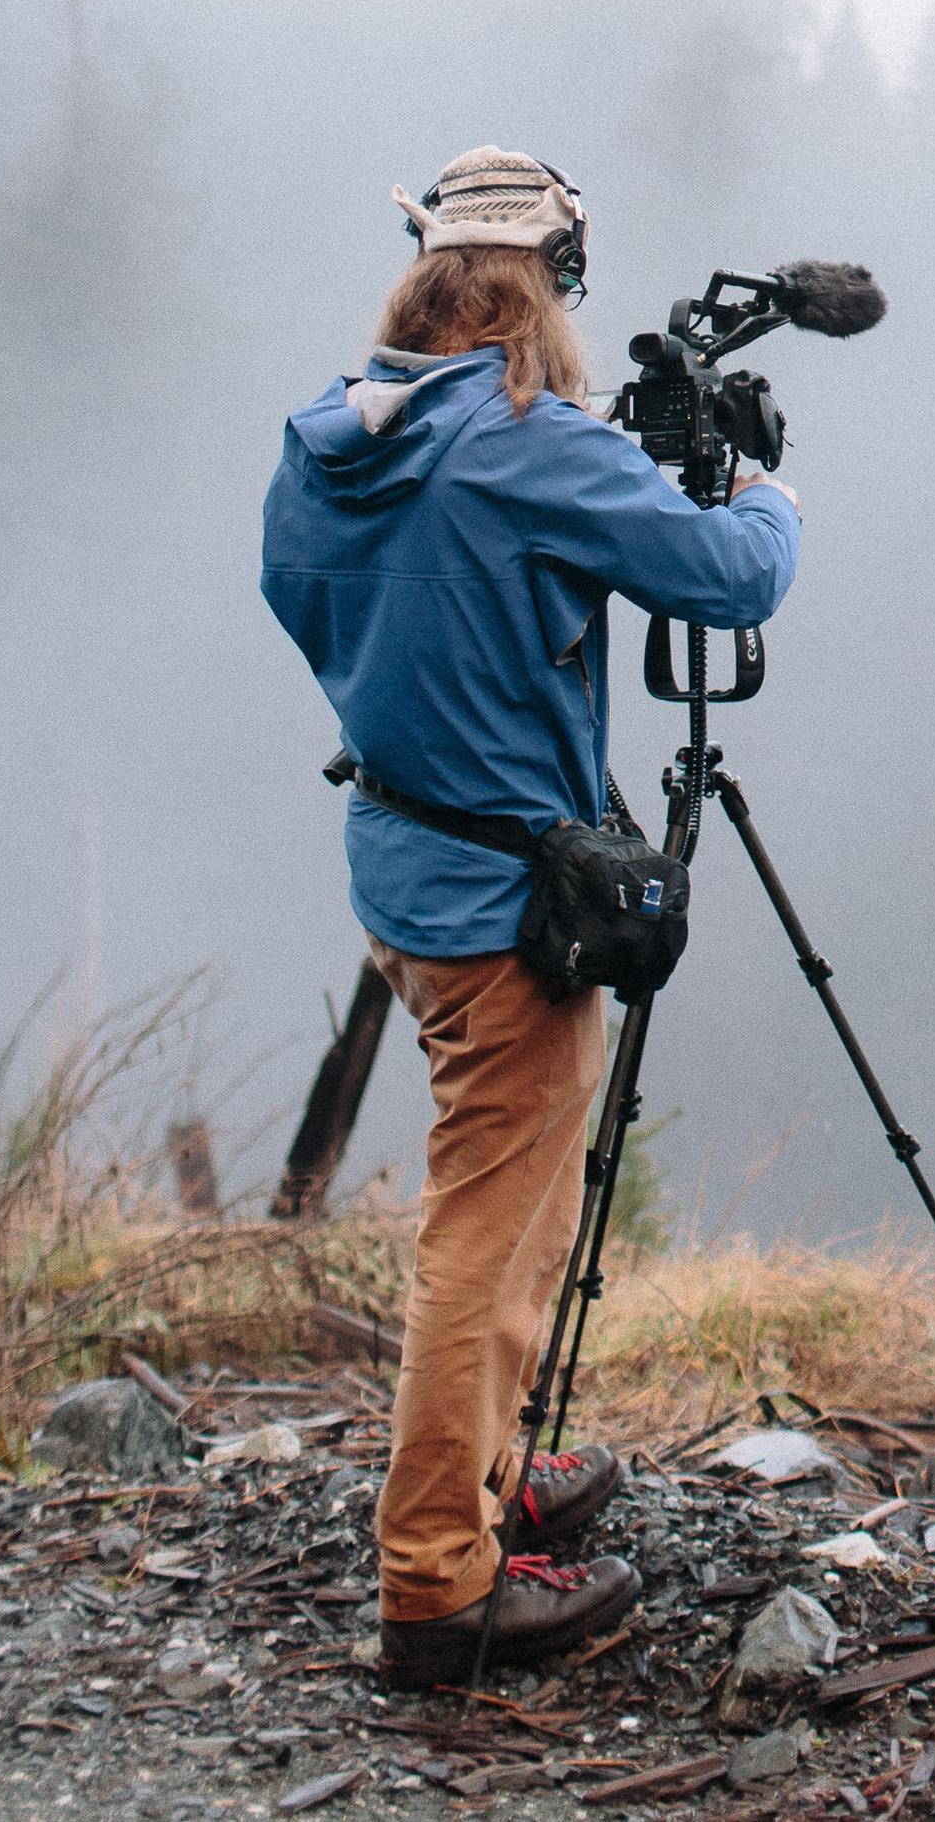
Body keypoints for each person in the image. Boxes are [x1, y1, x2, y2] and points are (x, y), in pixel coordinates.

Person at [261, 146, 800, 1693]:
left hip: (400, 859)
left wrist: (422, 682)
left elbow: (296, 594)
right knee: (486, 1244)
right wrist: (768, 489)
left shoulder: (330, 440)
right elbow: (730, 574)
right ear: (543, 293)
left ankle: (489, 1469)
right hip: (504, 899)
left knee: (505, 1204)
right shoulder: (527, 441)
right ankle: (439, 1575)